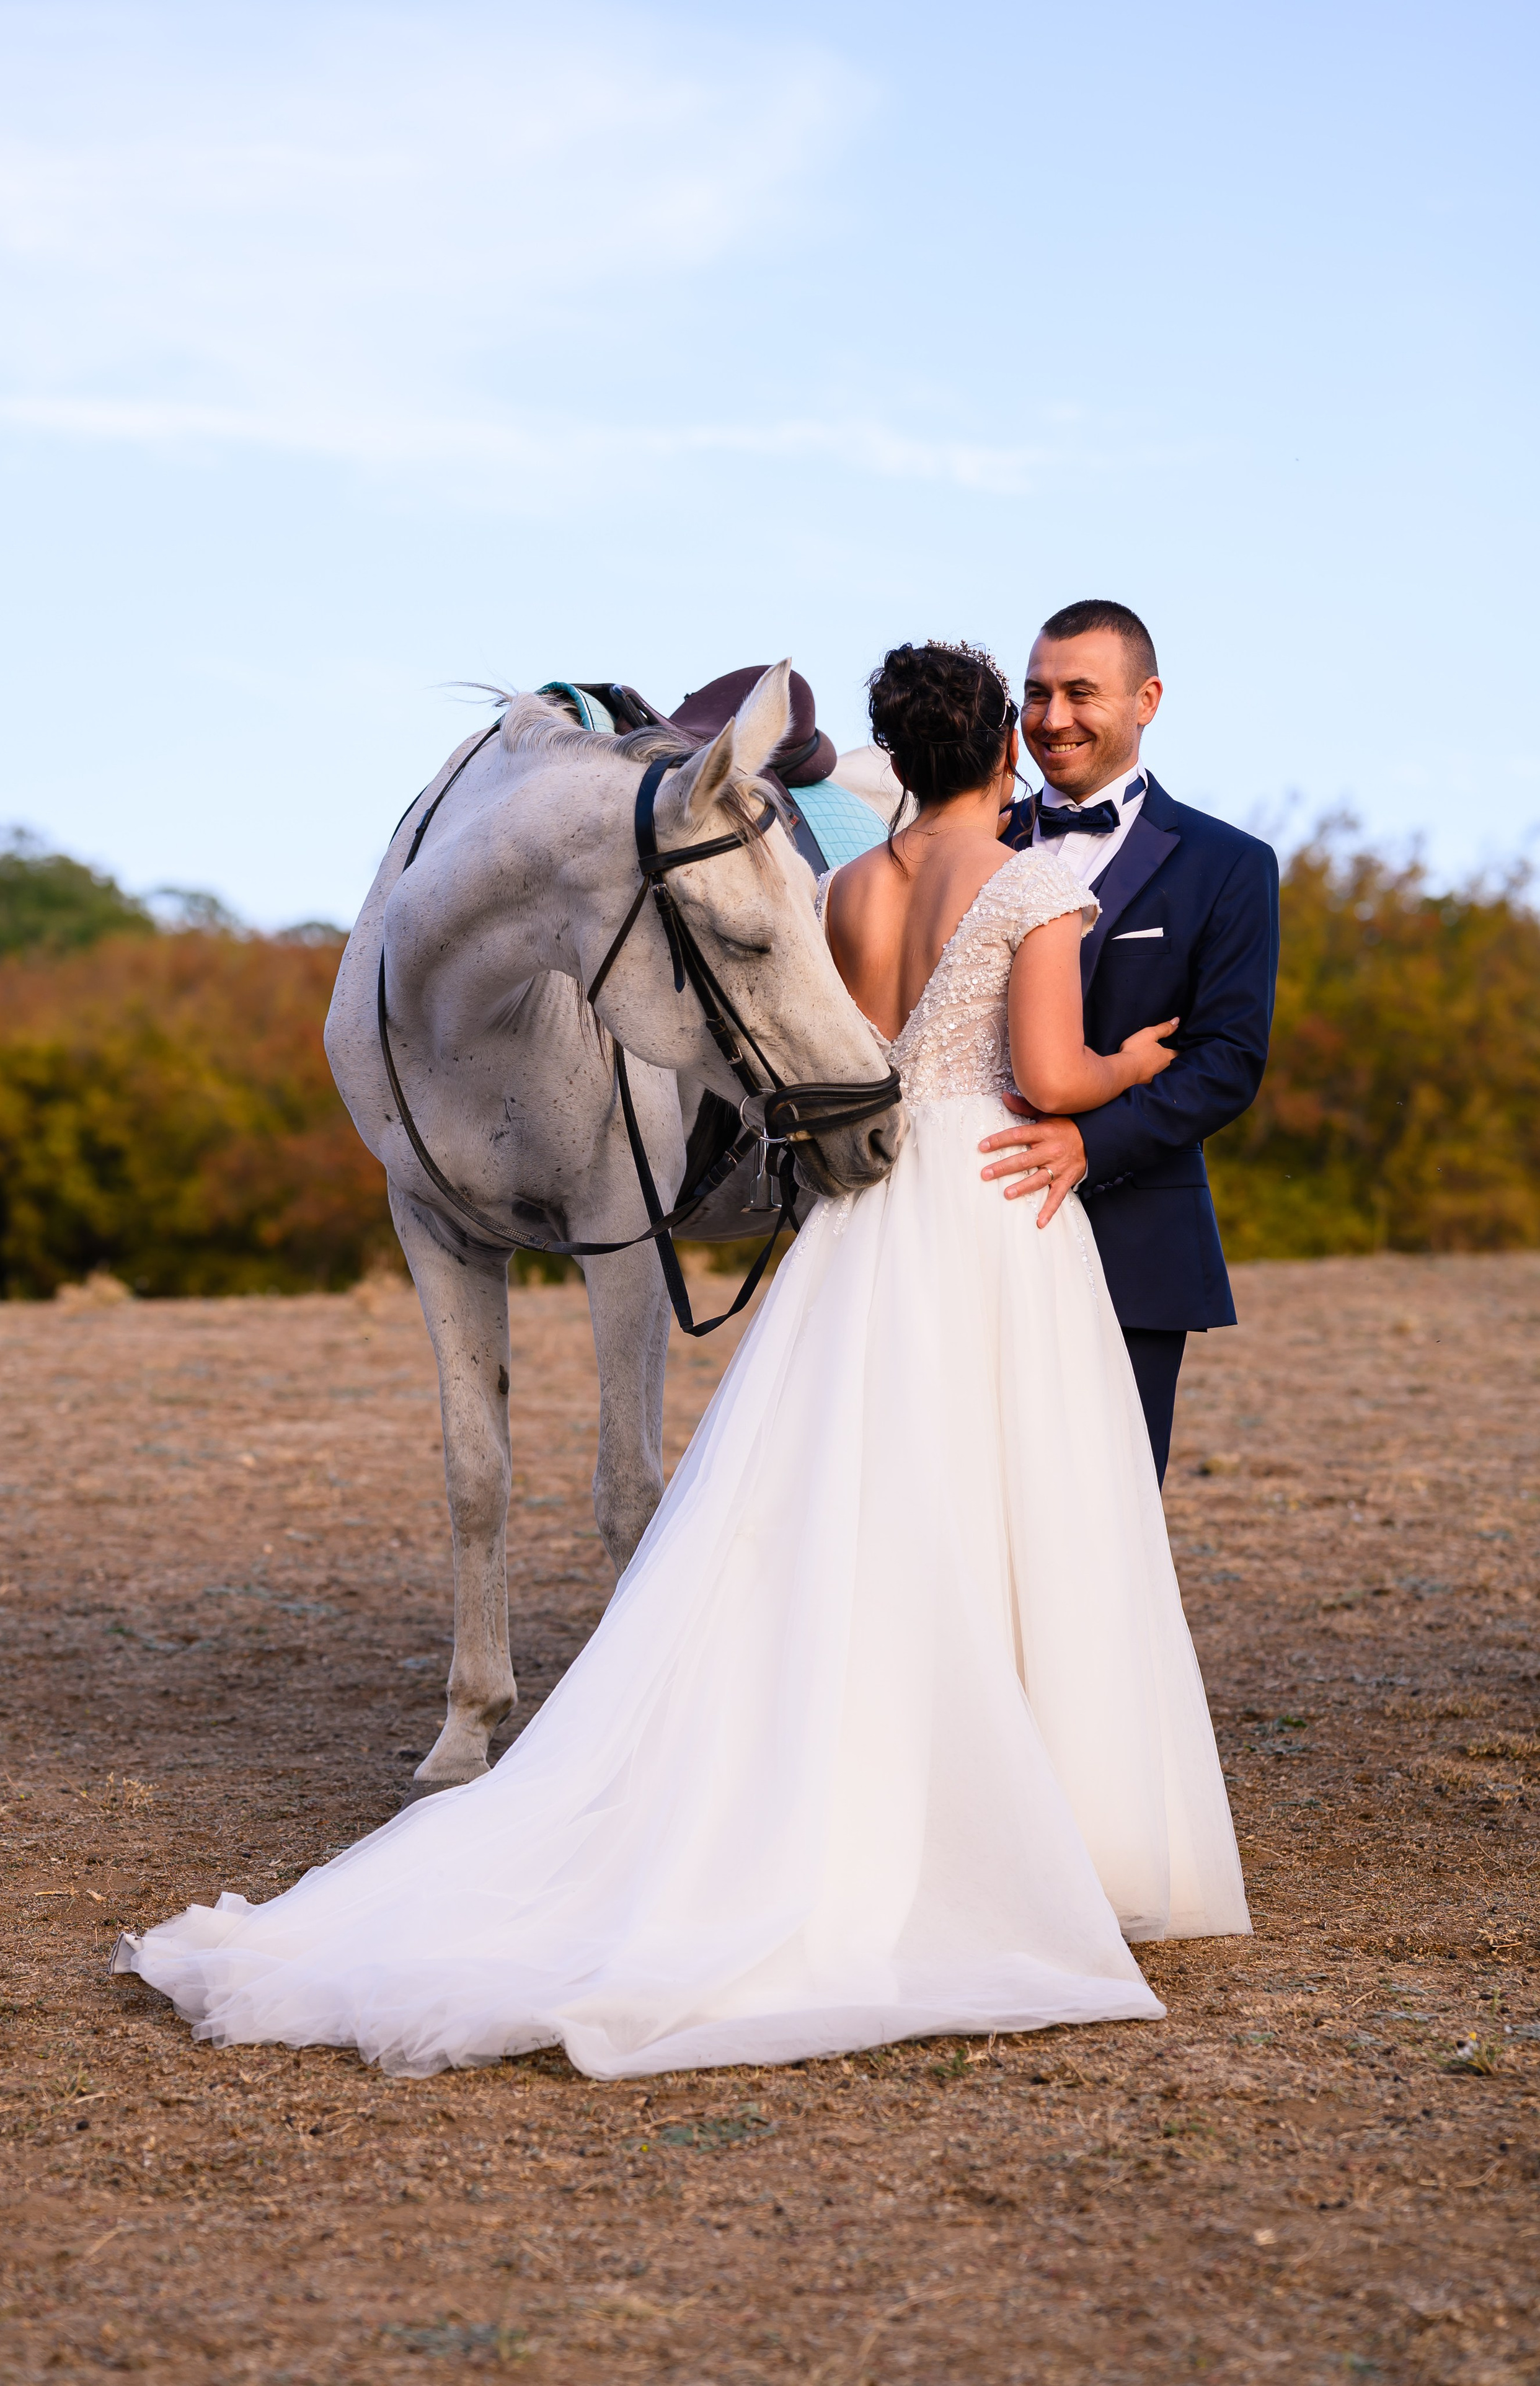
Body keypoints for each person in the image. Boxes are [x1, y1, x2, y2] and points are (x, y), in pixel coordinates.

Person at [112, 641, 1249, 2083]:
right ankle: (1013, 1799)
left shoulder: (847, 887)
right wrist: (1134, 1064)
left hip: (864, 1218)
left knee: (822, 1502)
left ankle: (815, 1776)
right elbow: (1048, 1072)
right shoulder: (1029, 884)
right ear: (1005, 757)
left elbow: (820, 1041)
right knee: (1007, 1498)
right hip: (986, 1196)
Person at [980, 601, 1280, 1484]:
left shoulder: (1228, 865)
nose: (1053, 719)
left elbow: (1228, 1060)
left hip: (1137, 1232)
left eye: (1082, 693)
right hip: (973, 1218)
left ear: (1146, 700)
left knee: (1109, 1503)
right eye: (1036, 695)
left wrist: (1087, 1143)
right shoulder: (972, 848)